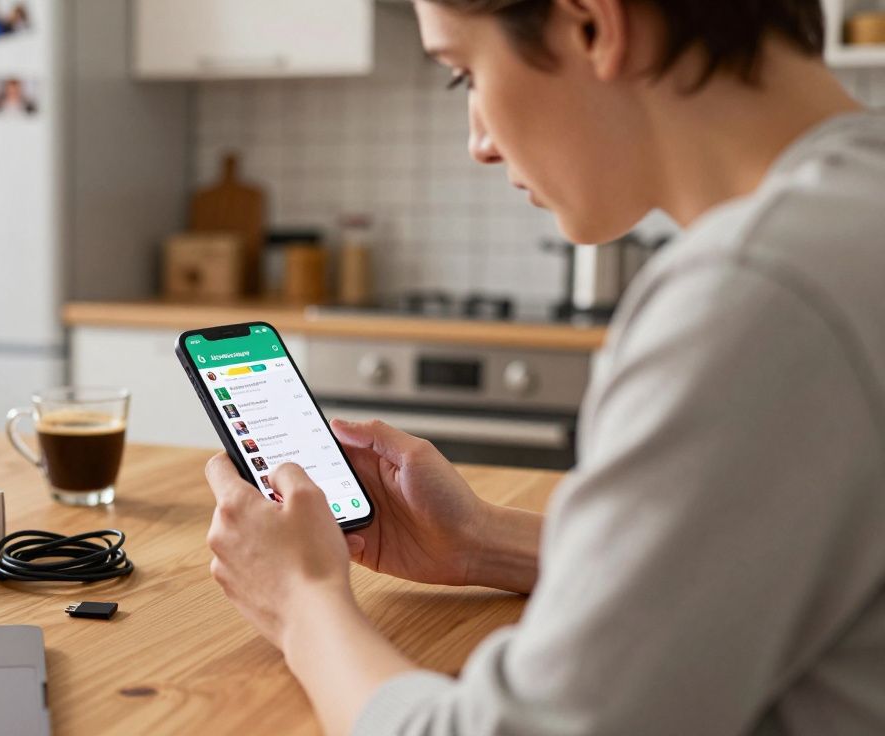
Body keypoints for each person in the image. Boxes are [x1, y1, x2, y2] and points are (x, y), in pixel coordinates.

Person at [203, 1, 885, 735]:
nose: (479, 143)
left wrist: (301, 603)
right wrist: (481, 543)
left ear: (593, 26)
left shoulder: (757, 293)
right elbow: (763, 579)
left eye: (463, 71)